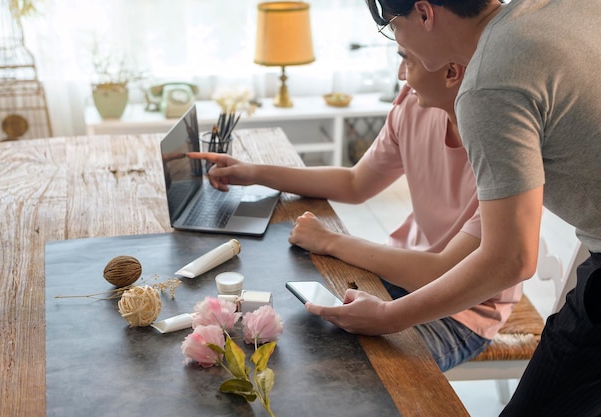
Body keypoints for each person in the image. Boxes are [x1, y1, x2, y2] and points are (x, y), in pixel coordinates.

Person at [345, 1, 601, 416]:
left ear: (424, 13)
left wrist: (387, 317)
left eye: (392, 27)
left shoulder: (487, 86)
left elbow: (510, 260)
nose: (400, 48)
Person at [188, 48, 522, 372]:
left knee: (351, 373)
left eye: (407, 59)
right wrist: (254, 173)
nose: (401, 75)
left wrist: (330, 240)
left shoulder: (505, 152)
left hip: (461, 312)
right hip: (398, 273)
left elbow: (440, 274)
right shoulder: (414, 106)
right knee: (297, 331)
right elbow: (354, 183)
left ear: (451, 72)